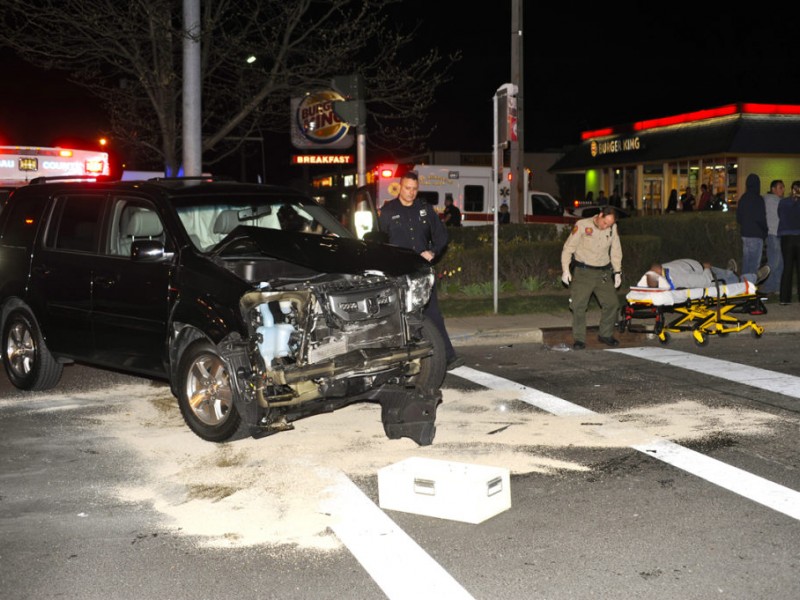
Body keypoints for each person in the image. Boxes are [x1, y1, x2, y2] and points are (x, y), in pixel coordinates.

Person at [377, 171, 464, 370]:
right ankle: (398, 360)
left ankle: (448, 357)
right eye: (408, 188)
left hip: (422, 271)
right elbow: (379, 241)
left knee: (433, 313)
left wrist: (433, 252)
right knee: (400, 314)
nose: (411, 192)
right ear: (400, 187)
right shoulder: (388, 211)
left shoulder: (425, 209)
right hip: (398, 273)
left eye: (415, 189)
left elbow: (442, 235)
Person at [560, 206, 623, 350]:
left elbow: (616, 250)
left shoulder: (613, 229)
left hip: (603, 272)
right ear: (600, 215)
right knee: (578, 306)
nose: (606, 226)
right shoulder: (582, 225)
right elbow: (568, 248)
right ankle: (579, 339)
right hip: (584, 271)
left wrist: (617, 271)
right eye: (605, 222)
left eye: (609, 224)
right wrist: (565, 269)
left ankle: (605, 334)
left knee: (612, 304)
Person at [637, 259, 770, 289]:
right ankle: (753, 278)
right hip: (707, 276)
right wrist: (706, 268)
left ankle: (730, 273)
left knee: (726, 274)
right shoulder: (678, 279)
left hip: (695, 267)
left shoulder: (662, 273)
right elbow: (704, 282)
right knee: (732, 280)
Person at [736, 173, 767, 278]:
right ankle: (750, 288)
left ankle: (743, 287)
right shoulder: (758, 199)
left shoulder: (743, 198)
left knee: (746, 263)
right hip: (756, 235)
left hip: (745, 234)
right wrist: (765, 231)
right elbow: (761, 218)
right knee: (754, 266)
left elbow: (739, 218)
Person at [778, 180, 800, 305]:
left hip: (786, 238)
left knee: (787, 268)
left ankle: (785, 298)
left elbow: (780, 215)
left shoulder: (783, 202)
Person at [761, 179, 785, 294]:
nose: (783, 190)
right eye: (780, 187)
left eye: (783, 187)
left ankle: (776, 287)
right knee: (774, 262)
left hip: (778, 234)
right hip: (773, 234)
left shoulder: (777, 200)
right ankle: (767, 287)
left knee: (779, 262)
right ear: (773, 189)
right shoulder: (771, 200)